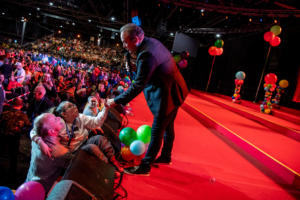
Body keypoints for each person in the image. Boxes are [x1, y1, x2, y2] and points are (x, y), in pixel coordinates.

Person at [107, 23, 189, 175]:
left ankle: (145, 167)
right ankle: (165, 156)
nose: (123, 45)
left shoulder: (146, 54)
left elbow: (138, 85)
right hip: (175, 88)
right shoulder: (150, 42)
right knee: (168, 126)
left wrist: (116, 100)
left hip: (169, 94)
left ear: (136, 39)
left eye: (125, 42)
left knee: (158, 129)